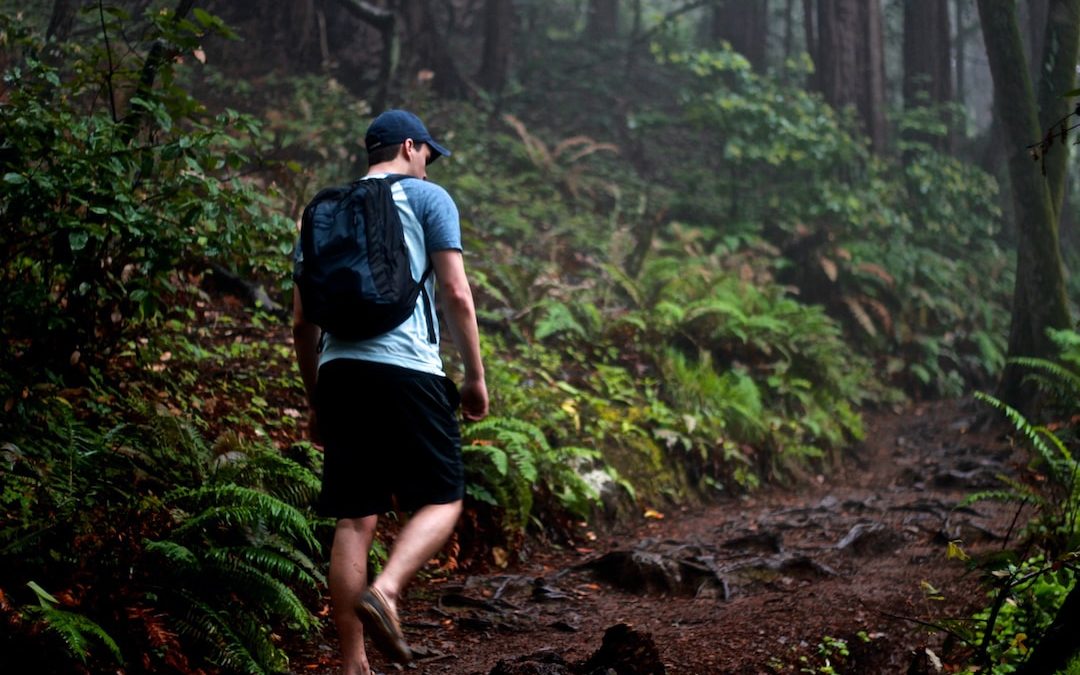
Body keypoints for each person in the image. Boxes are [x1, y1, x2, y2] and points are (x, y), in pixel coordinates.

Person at [292, 109, 488, 675]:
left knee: (354, 519)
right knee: (445, 496)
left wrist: (317, 401)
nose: (428, 166)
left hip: (340, 372)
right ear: (409, 146)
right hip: (409, 368)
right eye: (427, 153)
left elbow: (302, 322)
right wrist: (474, 376)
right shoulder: (429, 200)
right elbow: (455, 291)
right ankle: (390, 589)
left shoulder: (323, 211)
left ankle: (353, 666)